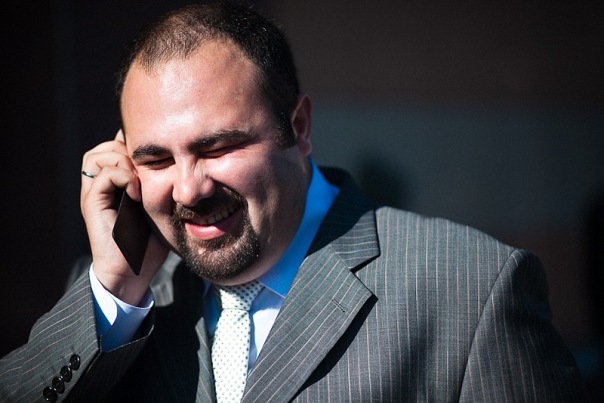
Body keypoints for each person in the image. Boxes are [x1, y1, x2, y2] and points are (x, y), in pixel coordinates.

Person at [0, 2, 587, 402]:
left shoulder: (471, 290)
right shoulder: (116, 299)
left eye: (218, 146)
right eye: (156, 160)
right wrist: (114, 290)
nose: (188, 189)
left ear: (299, 127)